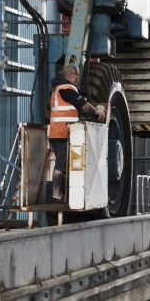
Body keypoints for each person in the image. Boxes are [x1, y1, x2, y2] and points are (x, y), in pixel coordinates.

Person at [48, 64, 99, 200]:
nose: (78, 78)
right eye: (77, 75)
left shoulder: (58, 88)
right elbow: (84, 106)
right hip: (62, 132)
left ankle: (62, 194)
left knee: (65, 163)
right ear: (71, 74)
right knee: (62, 163)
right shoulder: (66, 89)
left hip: (61, 132)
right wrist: (97, 112)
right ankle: (56, 194)